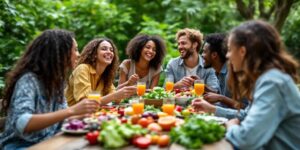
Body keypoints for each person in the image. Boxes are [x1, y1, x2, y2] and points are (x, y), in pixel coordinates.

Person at [201, 20, 300, 149]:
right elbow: (245, 115)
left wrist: (231, 126)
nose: (227, 55)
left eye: (230, 50)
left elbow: (245, 139)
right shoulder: (265, 79)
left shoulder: (272, 83)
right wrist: (213, 110)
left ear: (242, 51)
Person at [0, 29, 100, 149]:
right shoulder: (29, 80)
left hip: (48, 142)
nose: (78, 54)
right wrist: (72, 110)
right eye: (75, 49)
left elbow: (61, 118)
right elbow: (22, 122)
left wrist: (84, 114)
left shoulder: (56, 82)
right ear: (58, 53)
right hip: (21, 146)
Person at [65, 38, 136, 106]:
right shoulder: (82, 69)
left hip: (92, 116)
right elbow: (86, 102)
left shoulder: (105, 76)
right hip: (71, 116)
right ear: (94, 54)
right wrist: (115, 95)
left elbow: (116, 100)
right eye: (104, 49)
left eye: (111, 50)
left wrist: (128, 86)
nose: (109, 52)